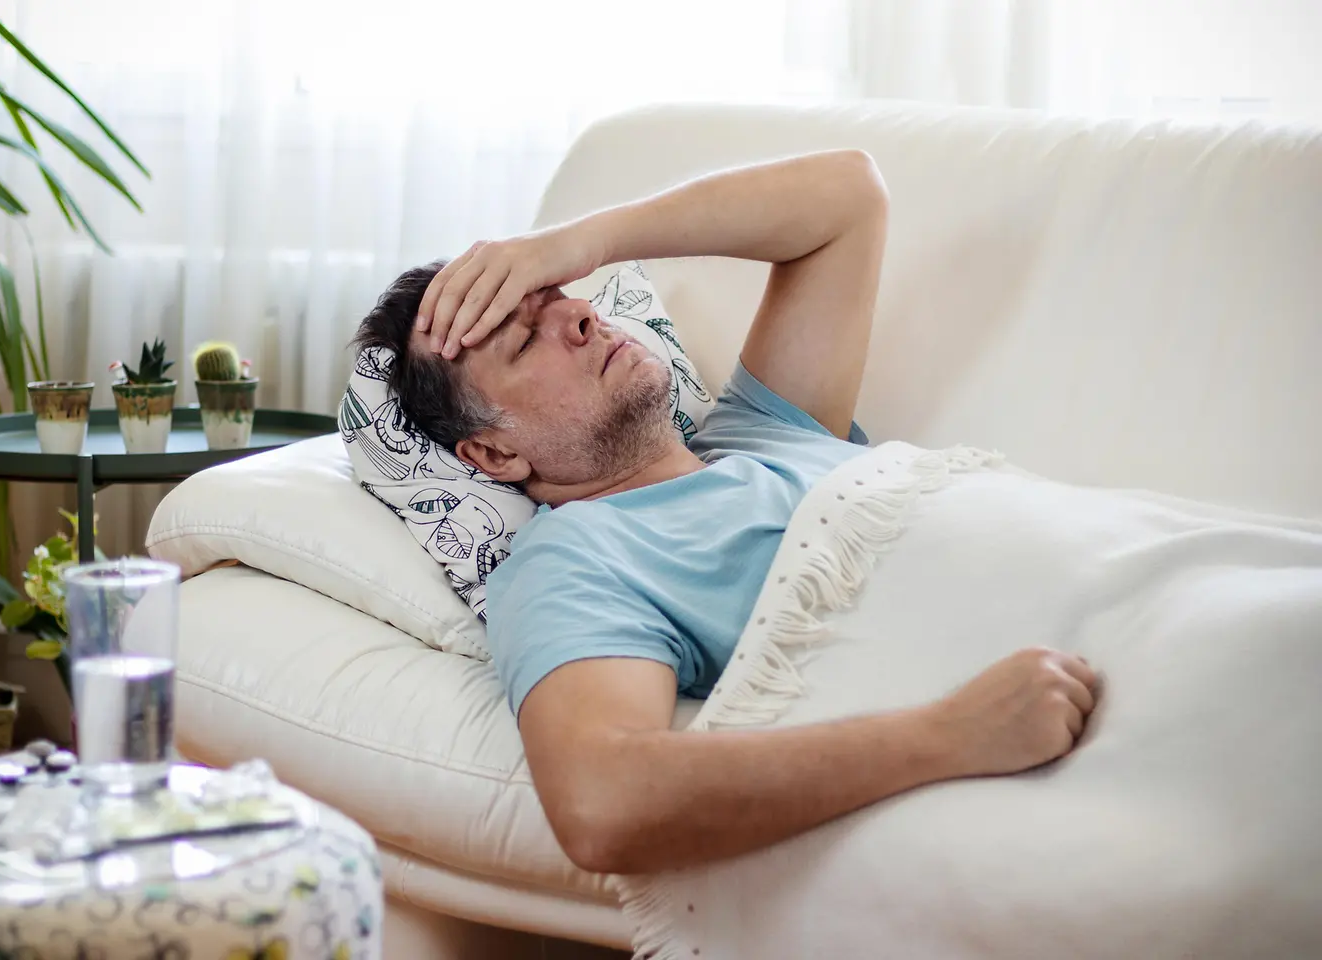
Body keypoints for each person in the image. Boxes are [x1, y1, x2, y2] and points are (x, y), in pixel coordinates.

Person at [352, 150, 1099, 875]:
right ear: (494, 458)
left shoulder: (765, 427)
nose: (579, 313)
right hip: (1081, 671)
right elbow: (600, 800)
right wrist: (952, 735)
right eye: (525, 337)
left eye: (557, 295)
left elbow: (846, 197)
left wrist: (578, 242)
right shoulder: (574, 560)